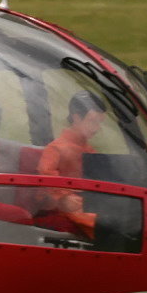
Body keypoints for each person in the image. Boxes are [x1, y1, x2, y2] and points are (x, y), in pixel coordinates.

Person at [36, 91, 107, 238]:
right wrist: (63, 197)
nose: (97, 128)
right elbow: (46, 175)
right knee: (105, 226)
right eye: (93, 121)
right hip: (63, 207)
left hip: (88, 204)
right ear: (77, 118)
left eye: (100, 123)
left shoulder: (91, 152)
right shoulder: (56, 148)